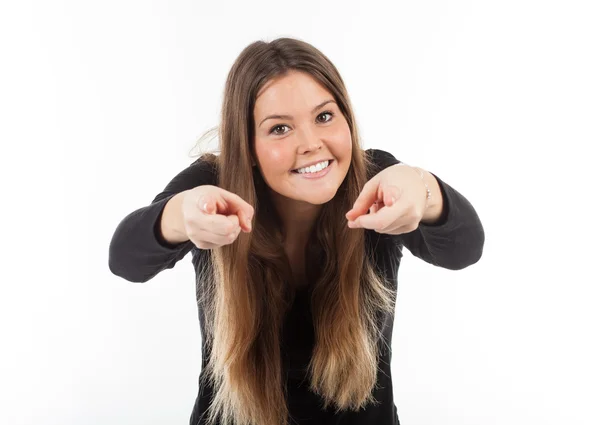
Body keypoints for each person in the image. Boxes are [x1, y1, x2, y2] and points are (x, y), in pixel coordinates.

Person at [108, 37, 485, 425]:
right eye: (280, 128)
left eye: (324, 117)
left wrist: (424, 188)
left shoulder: (377, 182)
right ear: (248, 147)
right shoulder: (214, 185)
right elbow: (125, 259)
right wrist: (179, 216)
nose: (310, 144)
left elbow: (465, 247)